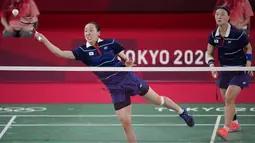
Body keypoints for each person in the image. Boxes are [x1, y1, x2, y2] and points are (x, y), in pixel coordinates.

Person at [34, 22, 195, 143]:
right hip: (113, 87)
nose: (87, 33)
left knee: (158, 100)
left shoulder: (111, 43)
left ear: (98, 32)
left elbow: (126, 60)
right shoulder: (82, 51)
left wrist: (128, 63)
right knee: (125, 122)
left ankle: (182, 112)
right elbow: (60, 53)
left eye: (90, 30)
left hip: (128, 79)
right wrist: (44, 40)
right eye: (85, 31)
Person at [206, 6, 253, 141]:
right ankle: (235, 123)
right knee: (227, 101)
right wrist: (212, 65)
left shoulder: (238, 34)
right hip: (224, 71)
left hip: (239, 70)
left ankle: (225, 129)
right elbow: (208, 52)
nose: (219, 16)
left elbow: (248, 48)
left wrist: (248, 63)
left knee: (229, 98)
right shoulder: (213, 35)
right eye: (217, 14)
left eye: (222, 14)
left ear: (228, 17)